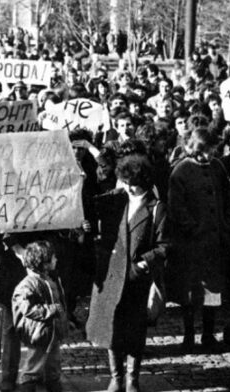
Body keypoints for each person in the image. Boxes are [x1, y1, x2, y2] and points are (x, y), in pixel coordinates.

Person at [86, 154, 169, 392]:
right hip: (111, 274)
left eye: (133, 184)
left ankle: (132, 378)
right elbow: (87, 203)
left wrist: (143, 263)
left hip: (135, 278)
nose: (129, 188)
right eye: (125, 182)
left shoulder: (157, 208)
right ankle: (116, 377)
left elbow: (165, 246)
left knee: (134, 330)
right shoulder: (116, 200)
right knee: (111, 327)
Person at [167, 127, 230, 350]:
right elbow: (176, 207)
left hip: (215, 242)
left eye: (213, 150)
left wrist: (226, 223)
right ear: (195, 148)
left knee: (212, 291)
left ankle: (208, 334)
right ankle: (188, 335)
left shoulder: (218, 167)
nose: (209, 155)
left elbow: (227, 198)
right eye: (205, 151)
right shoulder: (181, 171)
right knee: (190, 291)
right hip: (191, 244)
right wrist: (192, 228)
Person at [12, 241, 66, 392]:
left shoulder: (49, 279)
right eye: (53, 258)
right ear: (44, 262)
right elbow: (26, 307)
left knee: (53, 367)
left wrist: (63, 320)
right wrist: (49, 310)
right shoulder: (28, 284)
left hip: (52, 334)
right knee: (33, 368)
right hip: (39, 334)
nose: (56, 260)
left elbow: (59, 303)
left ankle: (54, 386)